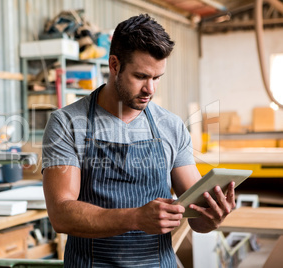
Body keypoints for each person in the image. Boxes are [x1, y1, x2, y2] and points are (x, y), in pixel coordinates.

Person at [42, 14, 236, 267]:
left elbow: (196, 218)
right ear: (114, 65)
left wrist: (213, 215)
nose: (150, 89)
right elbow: (61, 215)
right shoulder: (67, 123)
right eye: (141, 76)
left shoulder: (171, 126)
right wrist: (134, 218)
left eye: (156, 78)